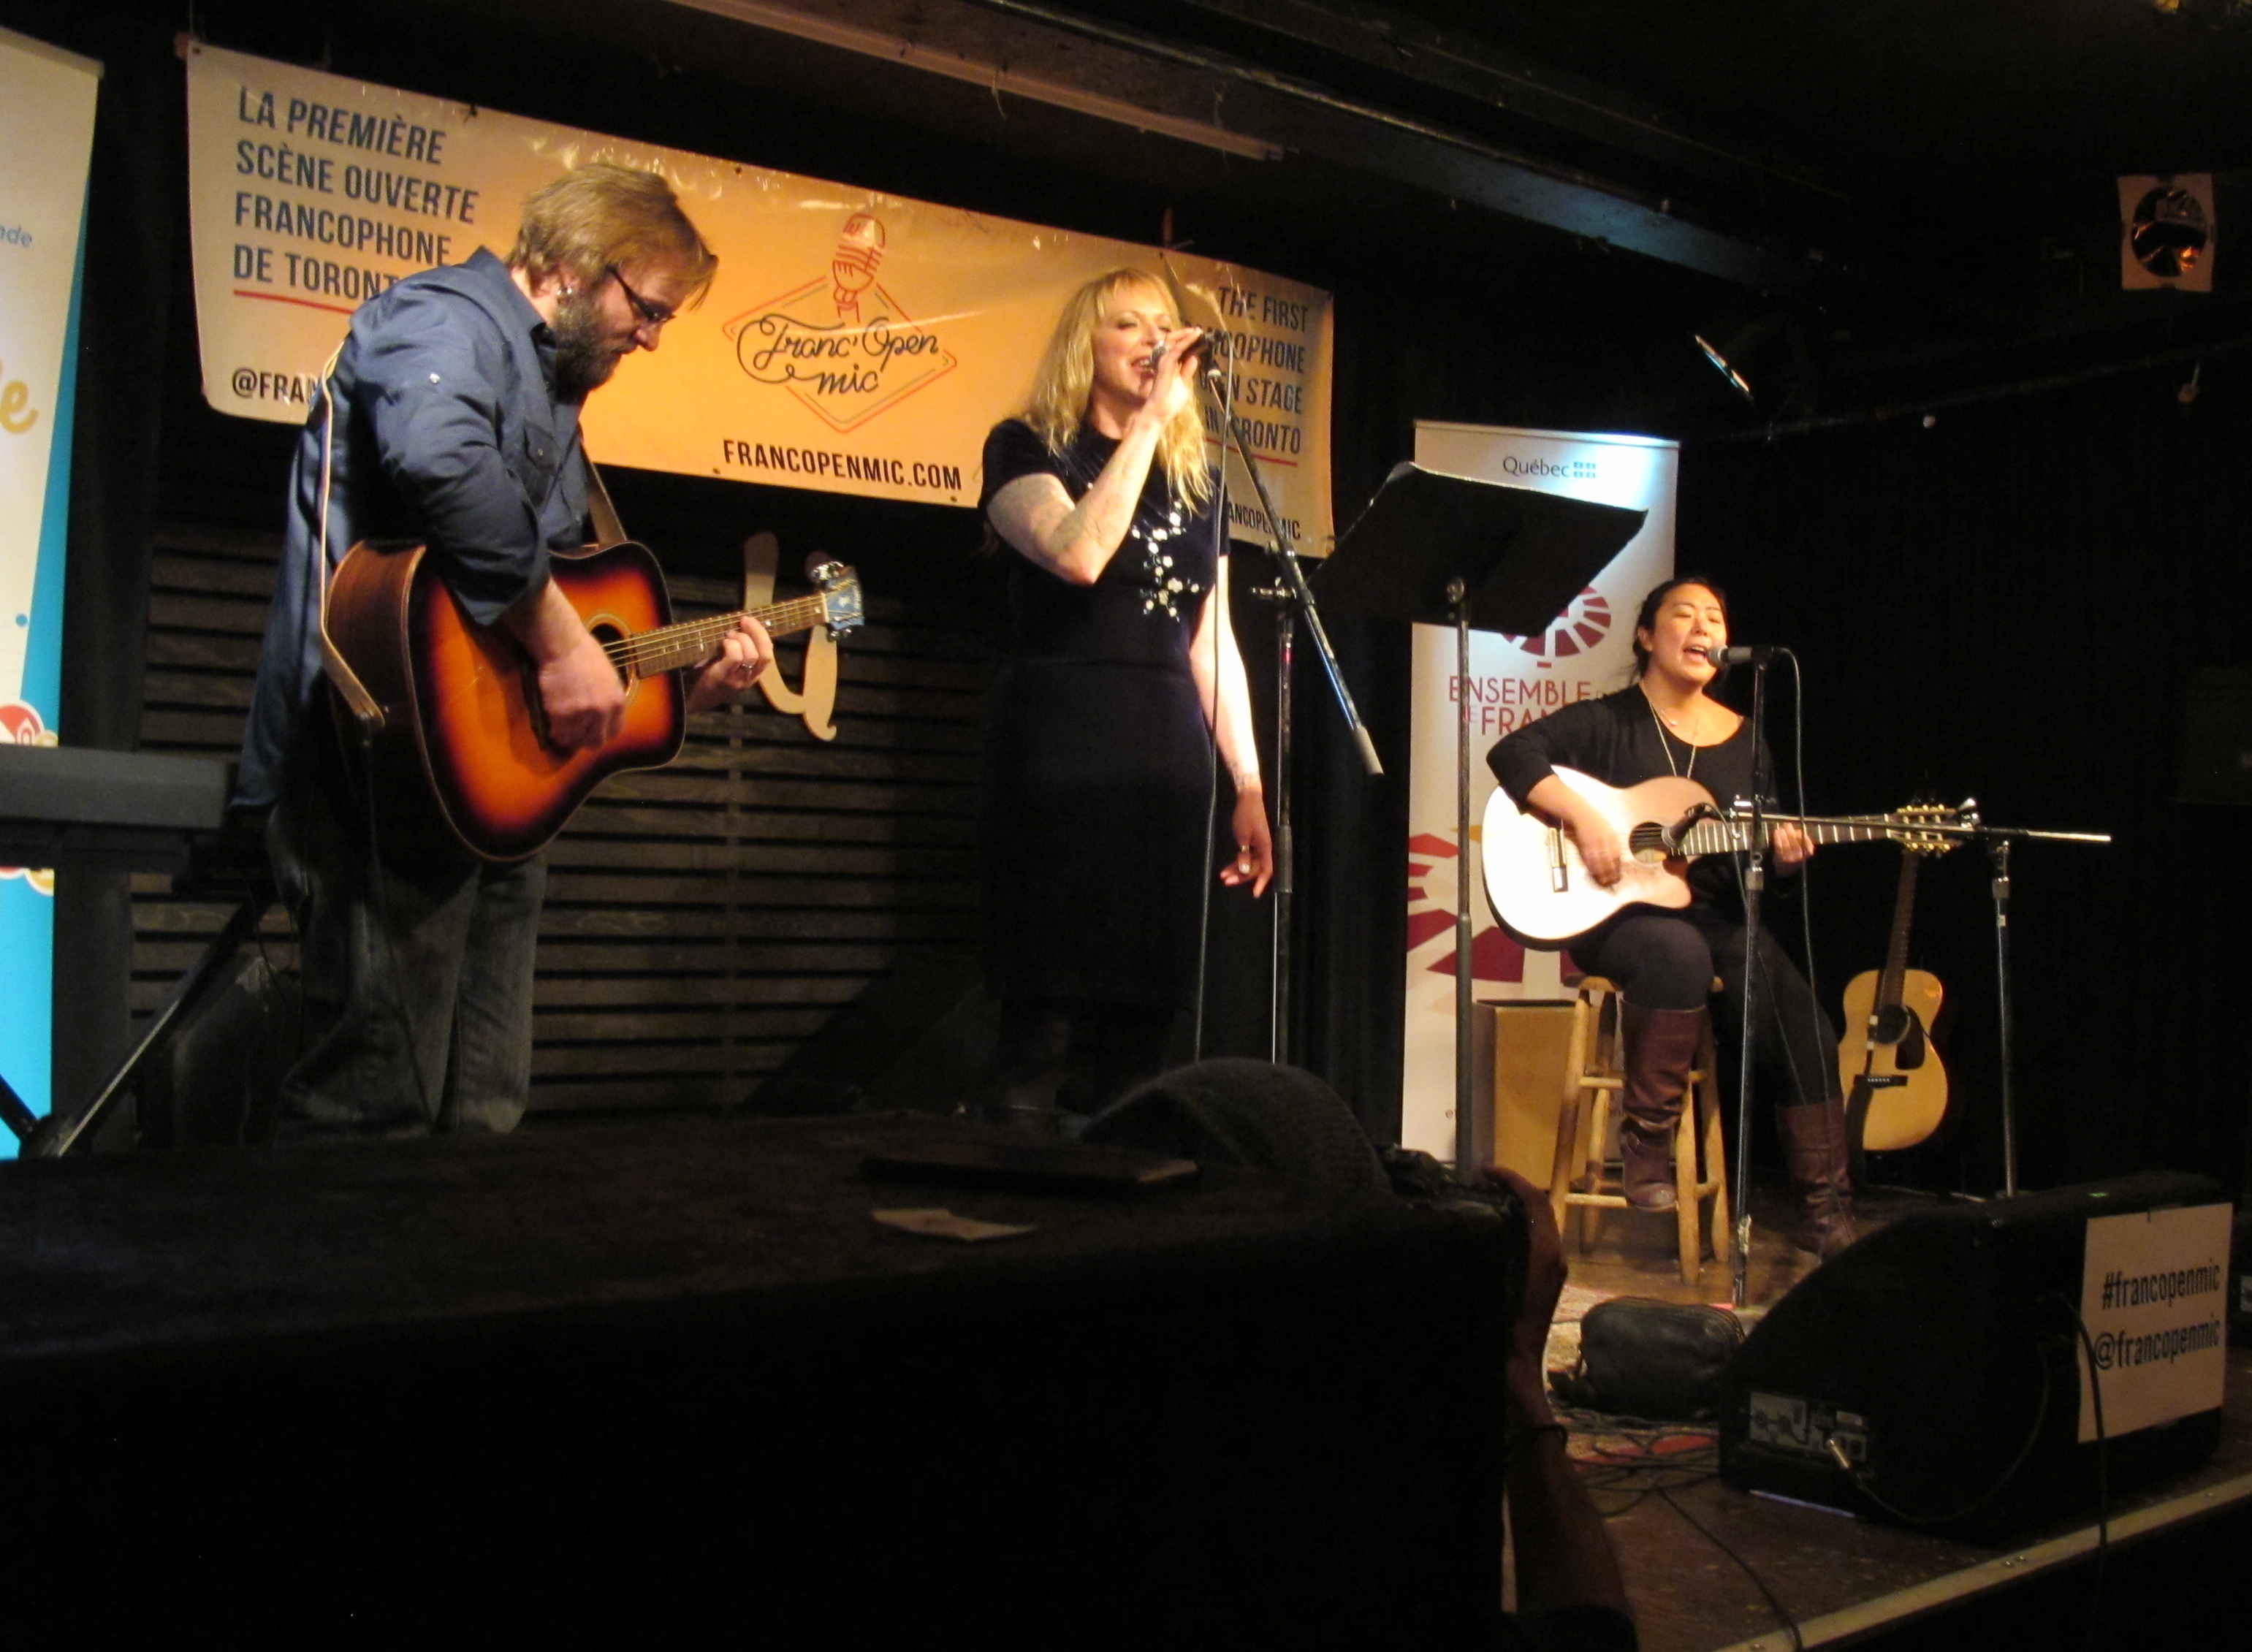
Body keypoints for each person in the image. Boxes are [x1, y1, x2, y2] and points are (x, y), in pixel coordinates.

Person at [234, 163, 774, 1139]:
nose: (651, 337)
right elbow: (439, 459)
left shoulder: (553, 394)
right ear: (577, 264)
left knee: (484, 1113)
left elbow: (539, 634)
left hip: (490, 791)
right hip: (375, 775)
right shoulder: (442, 318)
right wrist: (563, 642)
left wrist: (683, 688)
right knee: (370, 1112)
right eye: (648, 309)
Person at [977, 268, 1273, 1129]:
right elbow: (1079, 553)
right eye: (1129, 324)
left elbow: (1212, 640)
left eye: (1164, 324)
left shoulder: (1198, 482)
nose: (1154, 340)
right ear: (1087, 344)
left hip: (1163, 755)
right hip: (1060, 745)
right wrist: (1147, 423)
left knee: (1139, 1032)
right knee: (1044, 1012)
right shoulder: (1026, 447)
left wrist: (1249, 782)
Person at [1486, 576, 1855, 1258]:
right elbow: (1512, 753)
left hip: (1711, 915)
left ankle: (1826, 1209)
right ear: (1646, 636)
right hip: (1617, 917)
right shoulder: (1609, 720)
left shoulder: (1747, 741)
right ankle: (1647, 1143)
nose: (1703, 627)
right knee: (1675, 953)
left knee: (1804, 1018)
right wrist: (1584, 818)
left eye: (1715, 617)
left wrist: (1785, 859)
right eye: (1684, 614)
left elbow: (1757, 864)